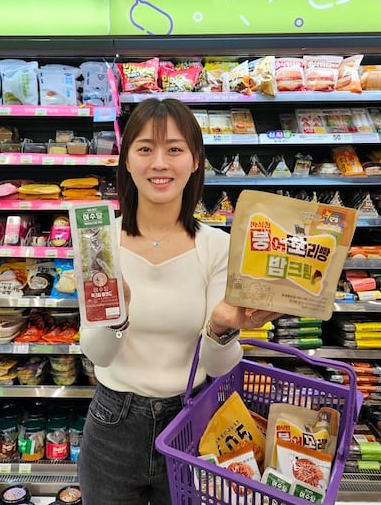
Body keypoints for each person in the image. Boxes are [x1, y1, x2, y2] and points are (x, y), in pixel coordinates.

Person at [78, 97, 281, 504]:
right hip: (113, 425)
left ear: (195, 160)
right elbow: (97, 354)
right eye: (145, 148)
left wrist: (222, 327)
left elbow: (218, 366)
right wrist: (117, 315)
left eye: (174, 149)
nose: (160, 163)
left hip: (191, 422)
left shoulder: (217, 246)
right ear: (126, 160)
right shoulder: (99, 242)